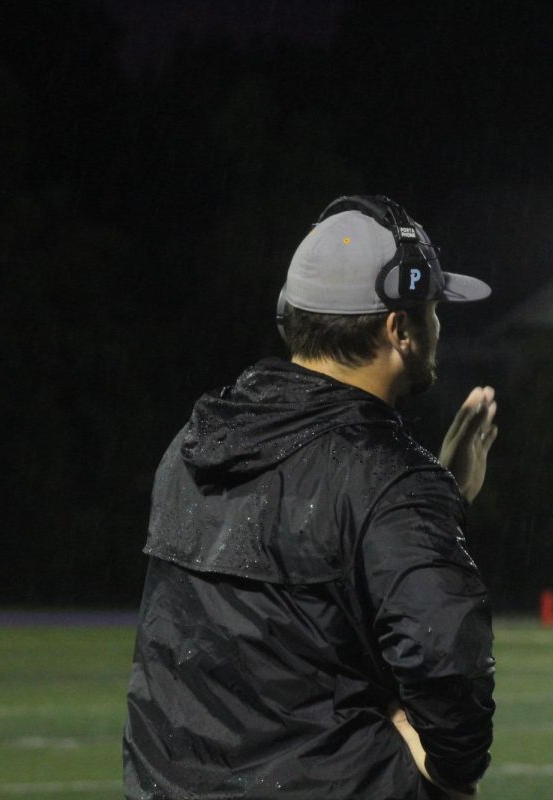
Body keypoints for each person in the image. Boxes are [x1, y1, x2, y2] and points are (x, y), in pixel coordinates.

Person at [123, 195, 498, 800]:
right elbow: (447, 667)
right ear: (399, 328)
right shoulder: (390, 478)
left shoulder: (196, 442)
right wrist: (444, 771)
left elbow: (275, 645)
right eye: (430, 310)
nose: (438, 326)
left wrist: (439, 498)